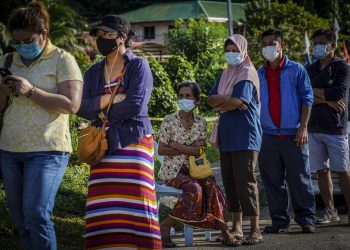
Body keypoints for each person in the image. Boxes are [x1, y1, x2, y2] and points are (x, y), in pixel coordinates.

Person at [0, 2, 83, 250]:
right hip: (9, 149)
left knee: (36, 214)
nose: (22, 45)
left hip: (47, 151)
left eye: (27, 40)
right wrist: (3, 91)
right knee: (21, 220)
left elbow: (71, 105)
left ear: (43, 34)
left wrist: (30, 90)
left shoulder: (62, 59)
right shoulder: (8, 59)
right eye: (17, 41)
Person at [76, 15, 161, 249]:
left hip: (134, 141)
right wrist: (107, 99)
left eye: (107, 35)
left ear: (122, 38)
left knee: (138, 205)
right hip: (103, 145)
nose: (101, 39)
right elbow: (81, 108)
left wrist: (101, 109)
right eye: (99, 35)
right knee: (104, 207)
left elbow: (136, 105)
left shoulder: (138, 65)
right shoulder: (93, 71)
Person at [157, 81, 236, 247]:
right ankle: (166, 226)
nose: (183, 99)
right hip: (173, 171)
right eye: (180, 96)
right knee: (195, 189)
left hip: (196, 170)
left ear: (197, 100)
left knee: (214, 189)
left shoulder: (201, 122)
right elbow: (163, 150)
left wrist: (177, 146)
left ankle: (225, 233)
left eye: (188, 96)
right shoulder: (169, 120)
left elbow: (199, 151)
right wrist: (189, 148)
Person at [257, 28, 316, 234]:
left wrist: (303, 127)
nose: (268, 47)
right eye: (265, 44)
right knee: (273, 181)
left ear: (281, 46)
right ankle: (280, 220)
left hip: (294, 134)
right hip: (268, 135)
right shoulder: (259, 73)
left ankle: (306, 218)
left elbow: (307, 99)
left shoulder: (297, 69)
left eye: (272, 43)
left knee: (299, 178)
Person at [207, 34, 263, 245]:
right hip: (227, 135)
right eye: (228, 50)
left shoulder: (247, 73)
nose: (231, 54)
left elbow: (238, 101)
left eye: (234, 50)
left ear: (243, 50)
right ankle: (237, 227)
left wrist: (225, 101)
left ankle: (255, 229)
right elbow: (210, 100)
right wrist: (227, 101)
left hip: (245, 134)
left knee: (246, 182)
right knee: (230, 183)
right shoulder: (225, 74)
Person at [306, 29, 350, 224]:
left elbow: (339, 92)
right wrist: (326, 100)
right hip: (314, 127)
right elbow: (304, 95)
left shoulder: (343, 67)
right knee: (322, 171)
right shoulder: (310, 68)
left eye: (321, 42)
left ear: (332, 45)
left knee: (342, 170)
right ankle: (330, 211)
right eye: (315, 43)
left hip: (335, 127)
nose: (317, 46)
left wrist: (318, 95)